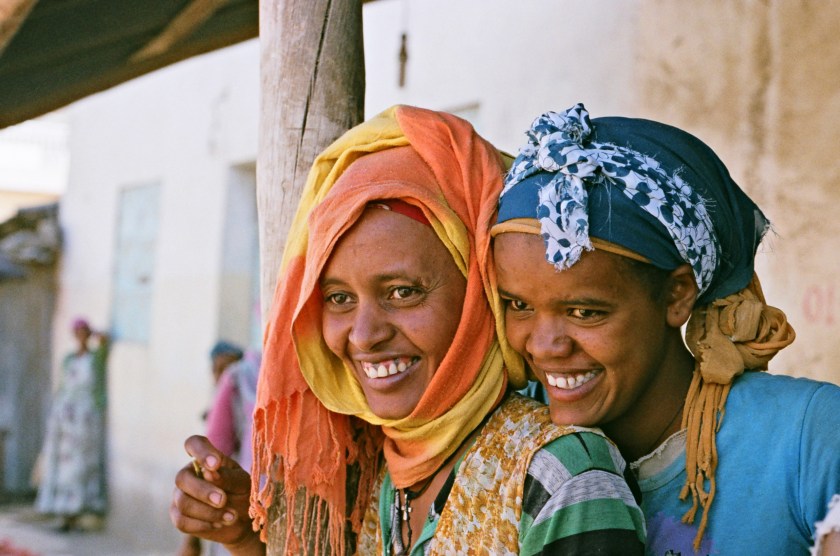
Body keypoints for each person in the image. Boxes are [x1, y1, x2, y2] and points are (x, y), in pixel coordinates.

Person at [171, 105, 646, 555]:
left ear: (479, 294)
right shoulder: (370, 464)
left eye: (402, 292)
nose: (363, 336)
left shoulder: (559, 478)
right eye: (339, 298)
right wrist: (241, 536)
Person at [490, 103, 840, 554]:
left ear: (678, 295)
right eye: (518, 305)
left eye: (584, 312)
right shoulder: (510, 447)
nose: (543, 346)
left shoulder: (805, 438)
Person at [35, 317, 109, 532]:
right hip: (66, 416)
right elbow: (63, 386)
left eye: (84, 332)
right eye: (78, 332)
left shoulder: (95, 357)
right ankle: (63, 513)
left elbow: (104, 340)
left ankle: (78, 512)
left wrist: (94, 333)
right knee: (63, 464)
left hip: (86, 418)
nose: (81, 336)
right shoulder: (69, 359)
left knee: (82, 464)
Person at [179, 342, 250, 556]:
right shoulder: (227, 392)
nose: (221, 374)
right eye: (217, 369)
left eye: (226, 368)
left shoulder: (237, 384)